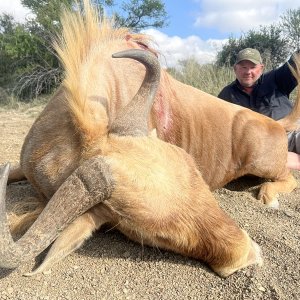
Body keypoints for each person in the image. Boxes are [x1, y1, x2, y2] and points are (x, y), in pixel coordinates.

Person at [218, 48, 300, 169]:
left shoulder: (277, 78)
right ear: (235, 69)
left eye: (253, 67)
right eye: (243, 67)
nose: (248, 71)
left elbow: (295, 60)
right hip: (261, 145)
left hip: (290, 134)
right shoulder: (226, 95)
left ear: (261, 68)